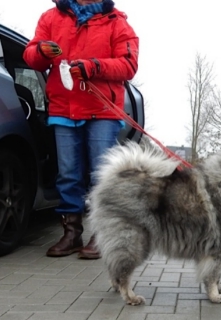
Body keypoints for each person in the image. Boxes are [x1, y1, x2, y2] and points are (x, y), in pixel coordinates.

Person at [23, 0, 139, 259]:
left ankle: (102, 233)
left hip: (103, 111)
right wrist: (41, 50)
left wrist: (93, 66)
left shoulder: (117, 22)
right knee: (68, 175)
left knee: (102, 175)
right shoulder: (51, 18)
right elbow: (32, 58)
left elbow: (129, 65)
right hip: (64, 110)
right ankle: (72, 233)